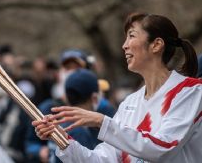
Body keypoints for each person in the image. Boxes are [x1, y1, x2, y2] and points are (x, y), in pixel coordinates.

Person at [33, 13, 202, 162]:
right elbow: (102, 160)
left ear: (156, 45)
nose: (125, 45)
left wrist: (101, 121)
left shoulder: (191, 92)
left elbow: (163, 148)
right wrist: (62, 141)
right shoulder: (130, 103)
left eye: (132, 36)